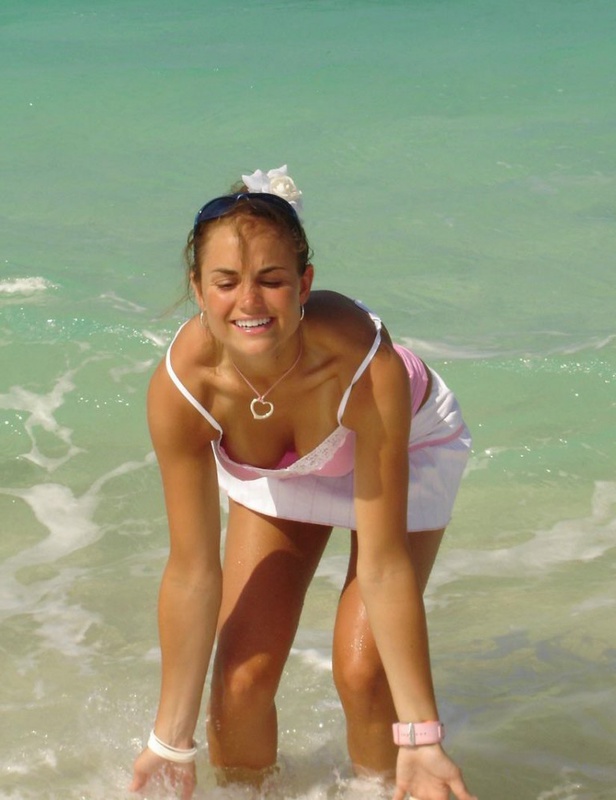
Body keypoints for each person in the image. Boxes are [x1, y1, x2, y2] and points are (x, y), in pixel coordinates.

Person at [130, 165, 476, 800]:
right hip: (288, 467)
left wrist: (423, 737)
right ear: (198, 289)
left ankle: (392, 786)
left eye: (272, 280)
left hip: (405, 444)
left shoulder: (360, 361)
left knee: (365, 673)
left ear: (304, 284)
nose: (249, 302)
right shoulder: (184, 389)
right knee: (239, 682)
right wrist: (169, 741)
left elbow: (384, 566)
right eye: (226, 282)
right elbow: (192, 572)